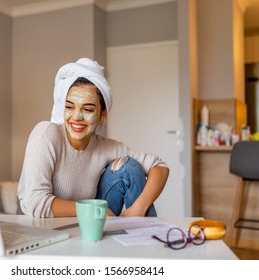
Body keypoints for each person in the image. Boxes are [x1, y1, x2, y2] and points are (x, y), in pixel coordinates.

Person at [17, 58, 169, 218]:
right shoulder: (46, 134)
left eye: (88, 109)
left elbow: (159, 166)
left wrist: (138, 208)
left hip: (86, 225)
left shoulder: (105, 147)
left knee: (129, 168)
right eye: (69, 107)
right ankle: (146, 235)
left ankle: (145, 235)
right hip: (42, 227)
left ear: (102, 114)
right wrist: (95, 209)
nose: (77, 116)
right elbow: (35, 203)